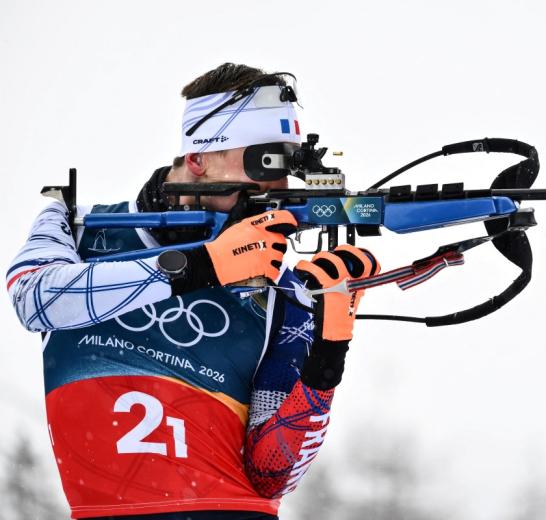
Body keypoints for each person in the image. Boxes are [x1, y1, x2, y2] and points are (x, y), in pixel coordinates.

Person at [6, 63, 379, 519]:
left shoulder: (274, 283)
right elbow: (34, 298)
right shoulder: (78, 228)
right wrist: (203, 266)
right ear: (199, 160)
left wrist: (326, 354)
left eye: (287, 165)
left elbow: (273, 473)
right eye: (263, 160)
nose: (277, 187)